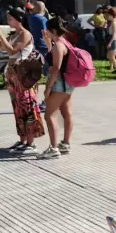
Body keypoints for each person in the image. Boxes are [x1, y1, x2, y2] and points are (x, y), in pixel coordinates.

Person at [0, 8, 45, 156]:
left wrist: (0, 33)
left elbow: (12, 51)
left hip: (23, 75)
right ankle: (23, 139)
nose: (8, 21)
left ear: (19, 19)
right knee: (18, 107)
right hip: (12, 74)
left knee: (27, 106)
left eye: (10, 18)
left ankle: (31, 143)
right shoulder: (15, 34)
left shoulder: (25, 34)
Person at [38, 18, 74, 159]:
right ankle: (65, 144)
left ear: (52, 30)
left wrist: (48, 87)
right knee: (67, 113)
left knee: (49, 115)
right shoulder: (65, 42)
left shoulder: (58, 45)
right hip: (69, 84)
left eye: (47, 29)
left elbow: (56, 68)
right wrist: (48, 43)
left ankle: (53, 148)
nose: (45, 32)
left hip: (59, 84)